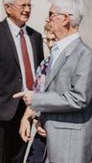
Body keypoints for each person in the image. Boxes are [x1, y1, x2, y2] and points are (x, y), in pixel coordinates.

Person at [13, 0, 92, 163]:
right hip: (52, 137)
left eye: (52, 15)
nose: (47, 19)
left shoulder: (84, 55)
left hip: (70, 142)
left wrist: (36, 98)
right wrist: (41, 119)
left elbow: (79, 98)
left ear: (66, 19)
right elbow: (55, 93)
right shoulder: (58, 51)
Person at [0, 0, 44, 163]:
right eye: (22, 5)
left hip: (27, 109)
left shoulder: (35, 37)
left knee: (18, 158)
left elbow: (40, 74)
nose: (27, 9)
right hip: (2, 111)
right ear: (8, 8)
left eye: (29, 5)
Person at [18, 23, 56, 163]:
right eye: (48, 40)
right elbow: (37, 95)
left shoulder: (75, 62)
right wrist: (26, 119)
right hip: (42, 130)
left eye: (54, 40)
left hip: (61, 131)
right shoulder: (44, 65)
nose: (50, 44)